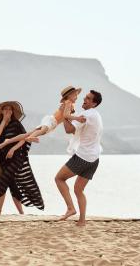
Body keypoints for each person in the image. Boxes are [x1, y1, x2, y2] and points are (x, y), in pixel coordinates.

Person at [55, 90, 103, 226]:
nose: (84, 99)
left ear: (94, 103)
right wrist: (69, 114)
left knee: (59, 178)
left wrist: (65, 115)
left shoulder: (86, 114)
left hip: (83, 157)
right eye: (85, 97)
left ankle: (70, 208)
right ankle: (82, 221)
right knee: (78, 189)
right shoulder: (96, 115)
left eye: (88, 99)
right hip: (94, 158)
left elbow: (69, 130)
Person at [0, 101, 44, 214]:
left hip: (16, 157)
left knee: (2, 182)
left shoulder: (16, 124)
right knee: (12, 186)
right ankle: (21, 213)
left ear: (13, 111)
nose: (8, 111)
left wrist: (13, 149)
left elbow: (24, 138)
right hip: (3, 159)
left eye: (10, 109)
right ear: (2, 111)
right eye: (6, 109)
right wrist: (4, 121)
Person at [0, 86, 86, 158]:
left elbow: (66, 117)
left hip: (51, 120)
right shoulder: (68, 103)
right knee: (40, 131)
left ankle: (8, 142)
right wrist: (77, 118)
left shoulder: (69, 104)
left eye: (76, 95)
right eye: (74, 95)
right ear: (69, 96)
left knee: (27, 134)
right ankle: (30, 138)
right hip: (52, 121)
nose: (76, 97)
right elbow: (66, 116)